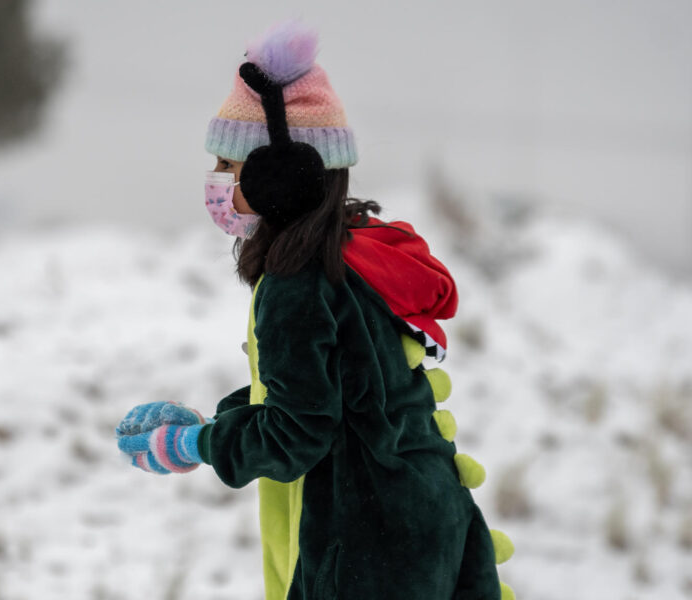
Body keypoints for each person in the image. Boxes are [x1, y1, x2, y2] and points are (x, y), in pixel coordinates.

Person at [116, 19, 515, 600]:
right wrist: (212, 421)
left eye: (229, 167)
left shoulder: (294, 283)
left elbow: (297, 432)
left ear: (281, 173)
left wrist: (194, 446)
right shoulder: (356, 253)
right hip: (428, 513)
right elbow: (331, 389)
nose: (216, 184)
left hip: (365, 548)